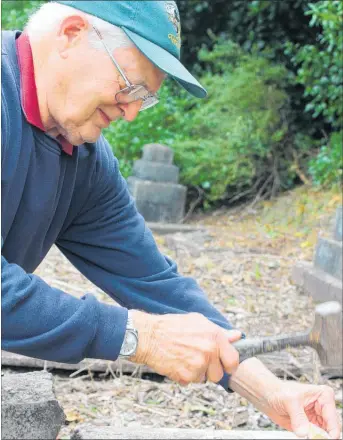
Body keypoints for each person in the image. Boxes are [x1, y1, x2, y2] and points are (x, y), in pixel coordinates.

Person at [1, 1, 341, 438]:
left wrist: (271, 391)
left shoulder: (83, 158)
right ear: (71, 33)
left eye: (146, 96)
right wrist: (139, 336)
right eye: (130, 85)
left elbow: (155, 284)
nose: (132, 112)